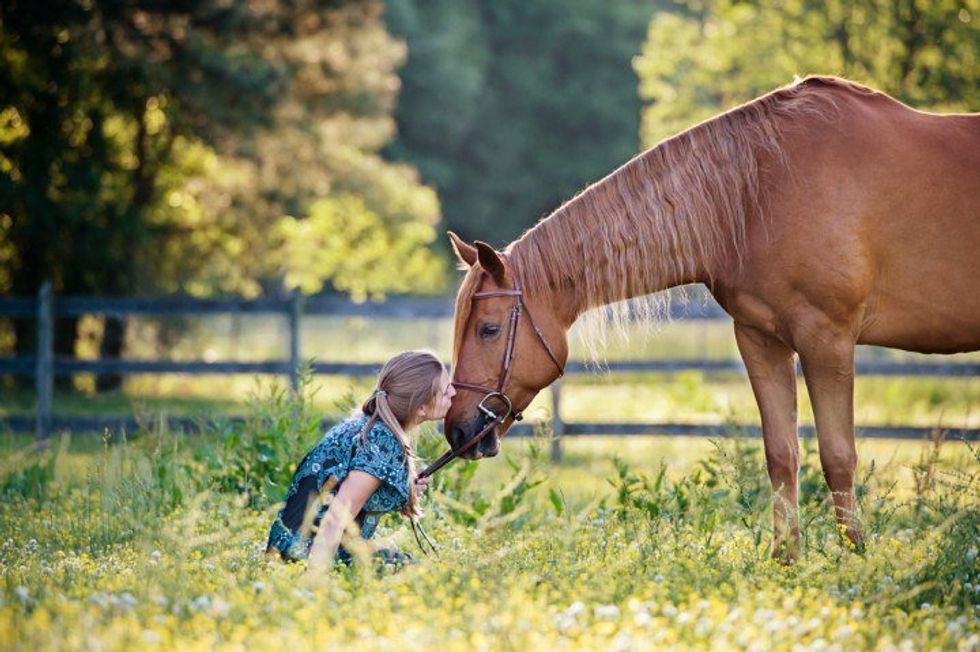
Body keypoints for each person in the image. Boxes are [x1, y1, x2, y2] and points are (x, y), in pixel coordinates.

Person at [265, 350, 455, 572]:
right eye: (445, 391)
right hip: (306, 558)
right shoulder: (382, 443)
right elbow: (339, 514)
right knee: (422, 574)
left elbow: (348, 492)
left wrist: (404, 488)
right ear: (421, 407)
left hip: (289, 553)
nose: (454, 391)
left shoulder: (368, 426)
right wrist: (313, 584)